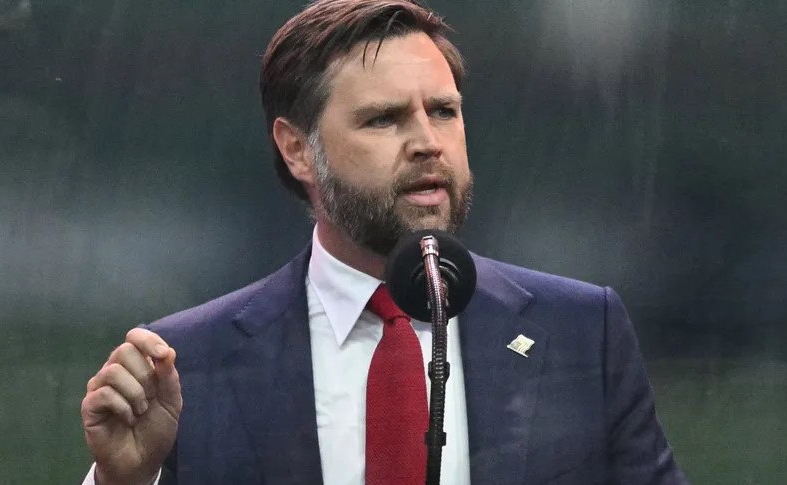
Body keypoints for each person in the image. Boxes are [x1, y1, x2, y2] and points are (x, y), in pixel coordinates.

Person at [80, 0, 689, 483]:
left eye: (444, 111)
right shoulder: (189, 365)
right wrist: (123, 482)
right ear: (297, 149)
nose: (428, 142)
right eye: (384, 119)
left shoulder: (582, 332)